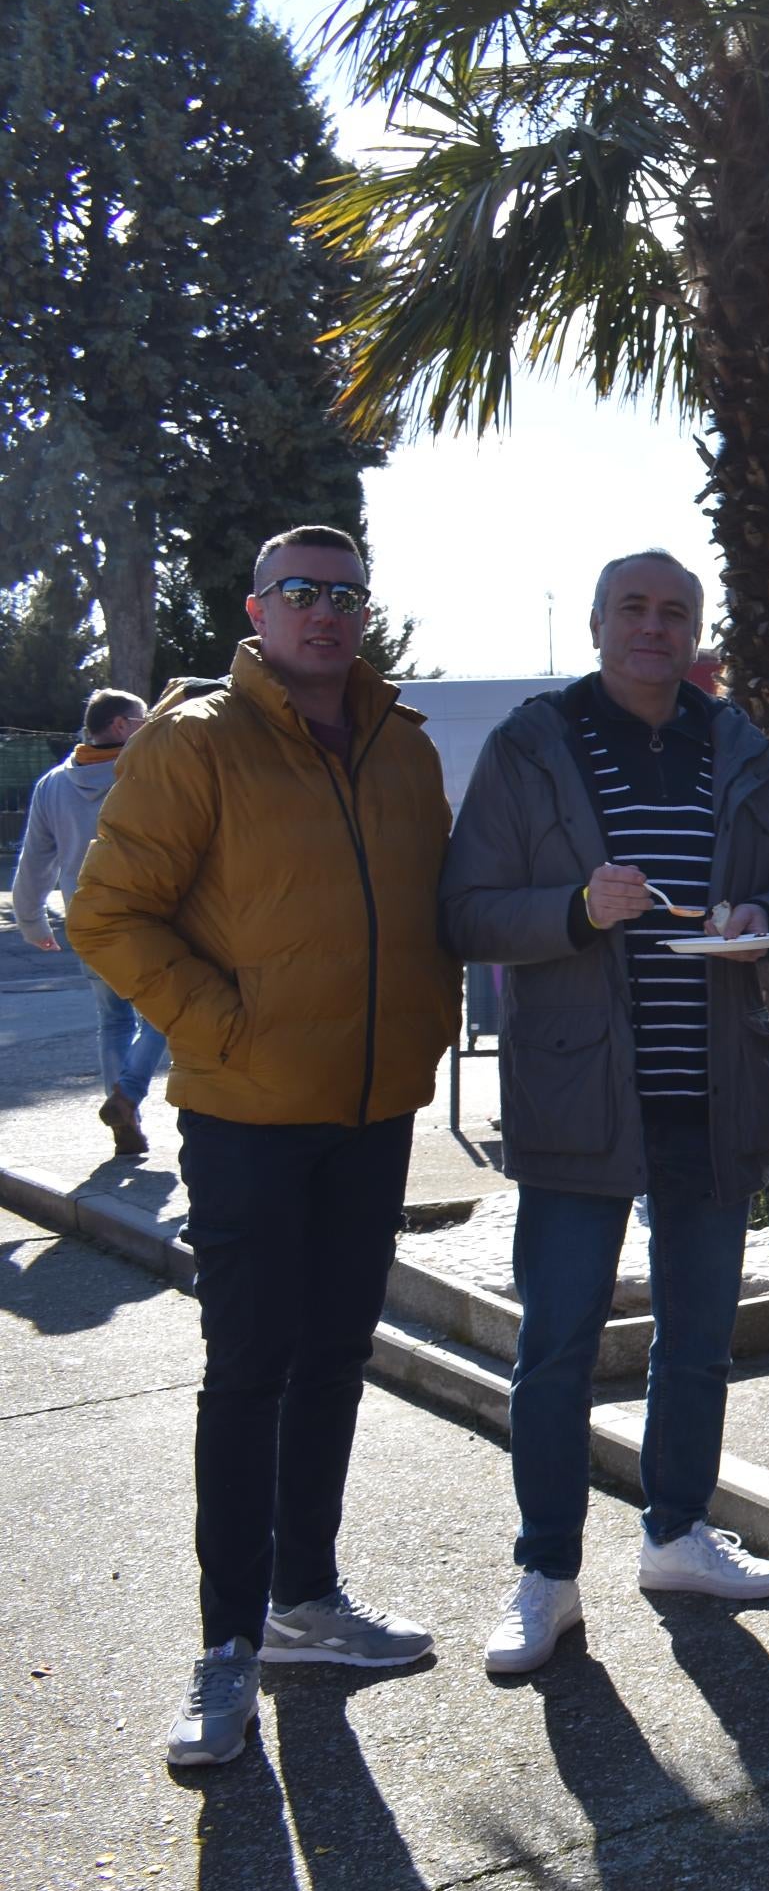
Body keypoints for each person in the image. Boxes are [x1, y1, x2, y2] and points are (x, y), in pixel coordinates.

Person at [67, 526, 460, 1767]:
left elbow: (436, 908)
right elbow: (107, 912)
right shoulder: (195, 743)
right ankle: (226, 1643)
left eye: (346, 594)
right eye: (302, 592)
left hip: (373, 1109)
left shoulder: (403, 748)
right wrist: (223, 1026)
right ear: (256, 608)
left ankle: (307, 1603)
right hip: (245, 1115)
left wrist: (434, 1021)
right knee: (249, 1369)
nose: (327, 613)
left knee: (338, 1354)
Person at [440, 548, 769, 1677]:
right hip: (576, 1090)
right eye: (635, 609)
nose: (655, 628)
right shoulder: (533, 743)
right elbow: (464, 910)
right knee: (557, 1342)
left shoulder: (734, 742)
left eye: (676, 612)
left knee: (699, 1335)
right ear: (600, 623)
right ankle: (546, 1572)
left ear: (696, 629)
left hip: (714, 1086)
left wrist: (766, 911)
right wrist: (572, 906)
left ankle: (675, 1533)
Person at [14, 689, 167, 1157]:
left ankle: (128, 1118)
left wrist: (31, 921)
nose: (150, 724)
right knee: (166, 1014)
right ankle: (128, 1095)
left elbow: (35, 861)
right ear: (120, 725)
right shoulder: (146, 774)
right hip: (146, 917)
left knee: (113, 1020)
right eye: (144, 718)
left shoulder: (53, 784)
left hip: (86, 921)